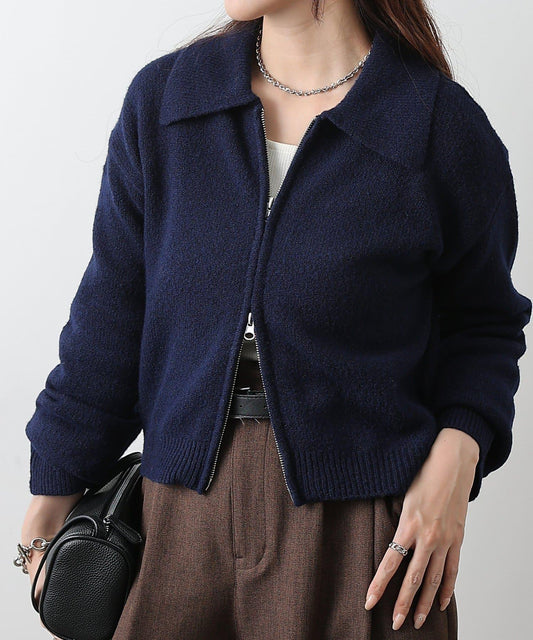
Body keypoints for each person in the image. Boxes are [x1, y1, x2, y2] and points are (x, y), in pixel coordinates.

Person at [18, 1, 531, 638]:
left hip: (364, 533)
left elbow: (485, 324)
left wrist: (459, 453)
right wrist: (53, 491)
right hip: (177, 522)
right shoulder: (167, 103)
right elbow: (112, 316)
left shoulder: (437, 126)